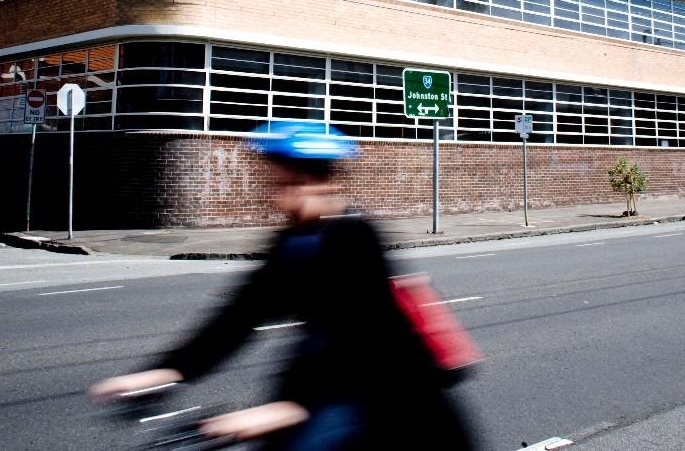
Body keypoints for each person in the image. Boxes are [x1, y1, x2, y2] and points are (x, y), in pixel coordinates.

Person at [90, 121, 475, 450]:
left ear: (323, 182)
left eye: (290, 182)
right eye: (274, 181)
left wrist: (289, 408)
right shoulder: (290, 242)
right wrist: (167, 372)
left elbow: (370, 342)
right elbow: (238, 318)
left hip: (396, 404)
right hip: (324, 393)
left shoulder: (356, 238)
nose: (277, 193)